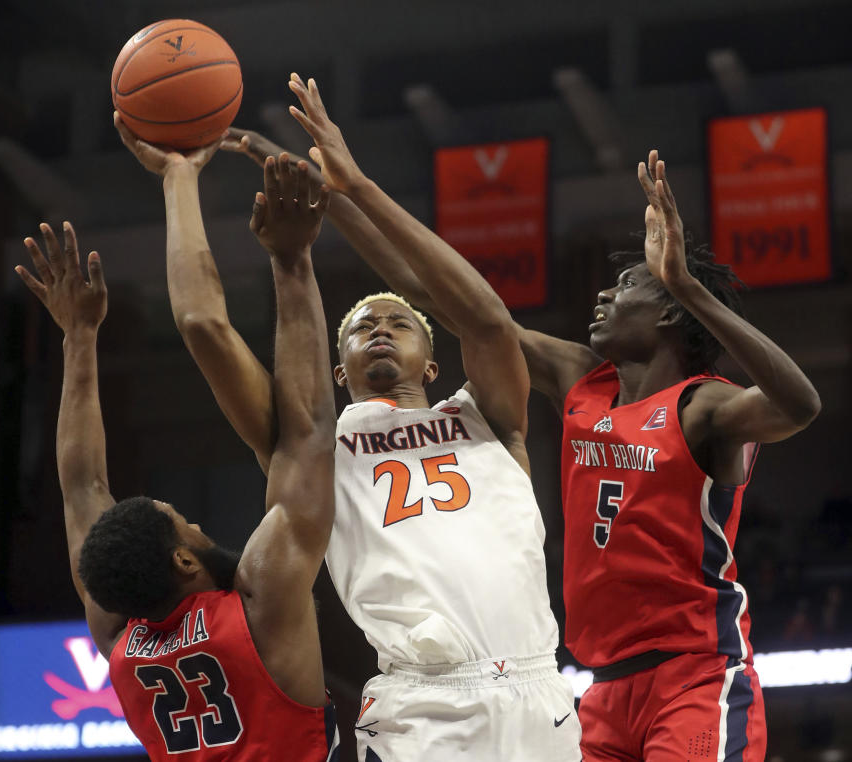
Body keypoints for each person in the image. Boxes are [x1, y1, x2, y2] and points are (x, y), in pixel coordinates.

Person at [258, 126, 819, 760]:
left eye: (630, 284)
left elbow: (799, 404)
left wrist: (688, 285)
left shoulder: (703, 405)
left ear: (667, 312)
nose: (605, 294)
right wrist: (333, 198)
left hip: (693, 670)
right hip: (599, 689)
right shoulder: (581, 378)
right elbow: (439, 299)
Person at [115, 74, 582, 761]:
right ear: (339, 371)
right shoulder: (315, 447)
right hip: (426, 705)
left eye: (400, 322)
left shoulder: (489, 415)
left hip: (544, 695)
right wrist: (179, 180)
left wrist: (353, 189)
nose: (381, 329)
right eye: (362, 327)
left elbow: (486, 319)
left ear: (433, 362)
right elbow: (202, 324)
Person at [14, 157, 340, 762]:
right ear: (186, 558)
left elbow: (82, 486)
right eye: (180, 518)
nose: (195, 521)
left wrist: (78, 337)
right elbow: (309, 432)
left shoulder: (119, 635)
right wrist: (292, 263)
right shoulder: (260, 606)